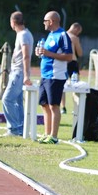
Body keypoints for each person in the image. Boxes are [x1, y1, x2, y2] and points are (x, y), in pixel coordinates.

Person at [35, 10, 72, 144]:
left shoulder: (63, 35)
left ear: (51, 21)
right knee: (44, 104)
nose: (43, 23)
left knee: (53, 105)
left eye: (45, 21)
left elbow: (69, 56)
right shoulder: (50, 35)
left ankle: (54, 136)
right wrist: (40, 53)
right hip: (45, 75)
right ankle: (46, 133)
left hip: (56, 76)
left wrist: (49, 54)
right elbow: (46, 53)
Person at [2, 11, 34, 136]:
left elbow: (26, 56)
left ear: (13, 22)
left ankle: (14, 129)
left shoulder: (23, 35)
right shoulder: (24, 34)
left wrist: (26, 75)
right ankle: (21, 128)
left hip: (19, 72)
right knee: (18, 102)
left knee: (7, 99)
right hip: (18, 71)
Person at [60, 22, 83, 114]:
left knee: (62, 85)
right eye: (79, 32)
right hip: (72, 62)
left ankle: (63, 107)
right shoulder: (74, 38)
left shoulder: (60, 35)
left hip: (62, 61)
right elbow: (80, 53)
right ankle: (76, 107)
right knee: (76, 85)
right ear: (76, 29)